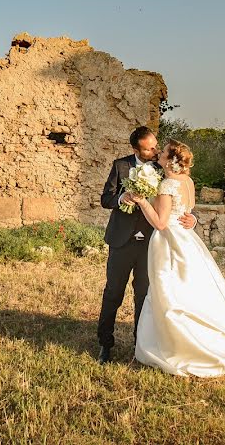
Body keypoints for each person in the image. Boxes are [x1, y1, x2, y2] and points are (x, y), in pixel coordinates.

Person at [129, 139, 225, 377]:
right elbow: (187, 212)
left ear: (171, 160)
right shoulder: (187, 181)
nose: (159, 153)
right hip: (187, 240)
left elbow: (160, 223)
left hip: (169, 242)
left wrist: (141, 202)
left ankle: (178, 345)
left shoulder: (168, 184)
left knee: (169, 292)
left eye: (164, 152)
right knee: (192, 289)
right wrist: (193, 220)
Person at [97, 127, 197, 364]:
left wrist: (193, 219)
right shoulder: (120, 165)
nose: (154, 151)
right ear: (135, 149)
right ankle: (105, 344)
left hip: (151, 243)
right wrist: (122, 198)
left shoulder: (164, 169)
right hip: (121, 241)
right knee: (113, 292)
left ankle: (139, 345)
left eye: (155, 146)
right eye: (148, 148)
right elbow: (105, 199)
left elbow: (180, 197)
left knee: (144, 295)